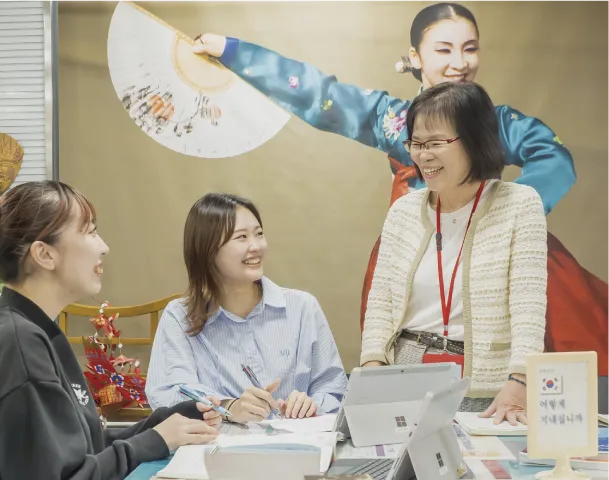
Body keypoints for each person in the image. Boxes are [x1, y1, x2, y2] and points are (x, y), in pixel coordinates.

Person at [190, 3, 609, 375]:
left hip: (492, 253)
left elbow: (553, 157)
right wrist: (234, 51)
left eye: (470, 48)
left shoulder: (498, 123)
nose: (459, 62)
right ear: (415, 58)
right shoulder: (392, 119)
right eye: (444, 49)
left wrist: (501, 215)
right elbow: (321, 95)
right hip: (417, 251)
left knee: (553, 348)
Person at [0, 181, 220, 480]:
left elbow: (82, 446)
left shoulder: (32, 330)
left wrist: (161, 424)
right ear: (45, 255)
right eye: (89, 232)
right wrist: (154, 441)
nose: (104, 247)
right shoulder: (17, 346)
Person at [362, 81, 547, 423]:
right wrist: (373, 374)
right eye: (416, 143)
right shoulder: (404, 211)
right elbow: (381, 304)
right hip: (405, 380)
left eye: (435, 143)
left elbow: (528, 303)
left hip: (489, 389)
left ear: (475, 139)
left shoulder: (519, 204)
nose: (423, 155)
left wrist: (520, 379)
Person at [147, 193, 348, 422]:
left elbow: (334, 388)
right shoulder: (179, 317)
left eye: (259, 234)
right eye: (241, 237)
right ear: (207, 249)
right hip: (218, 443)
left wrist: (311, 404)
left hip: (299, 441)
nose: (256, 247)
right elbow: (168, 395)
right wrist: (229, 407)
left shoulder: (302, 308)